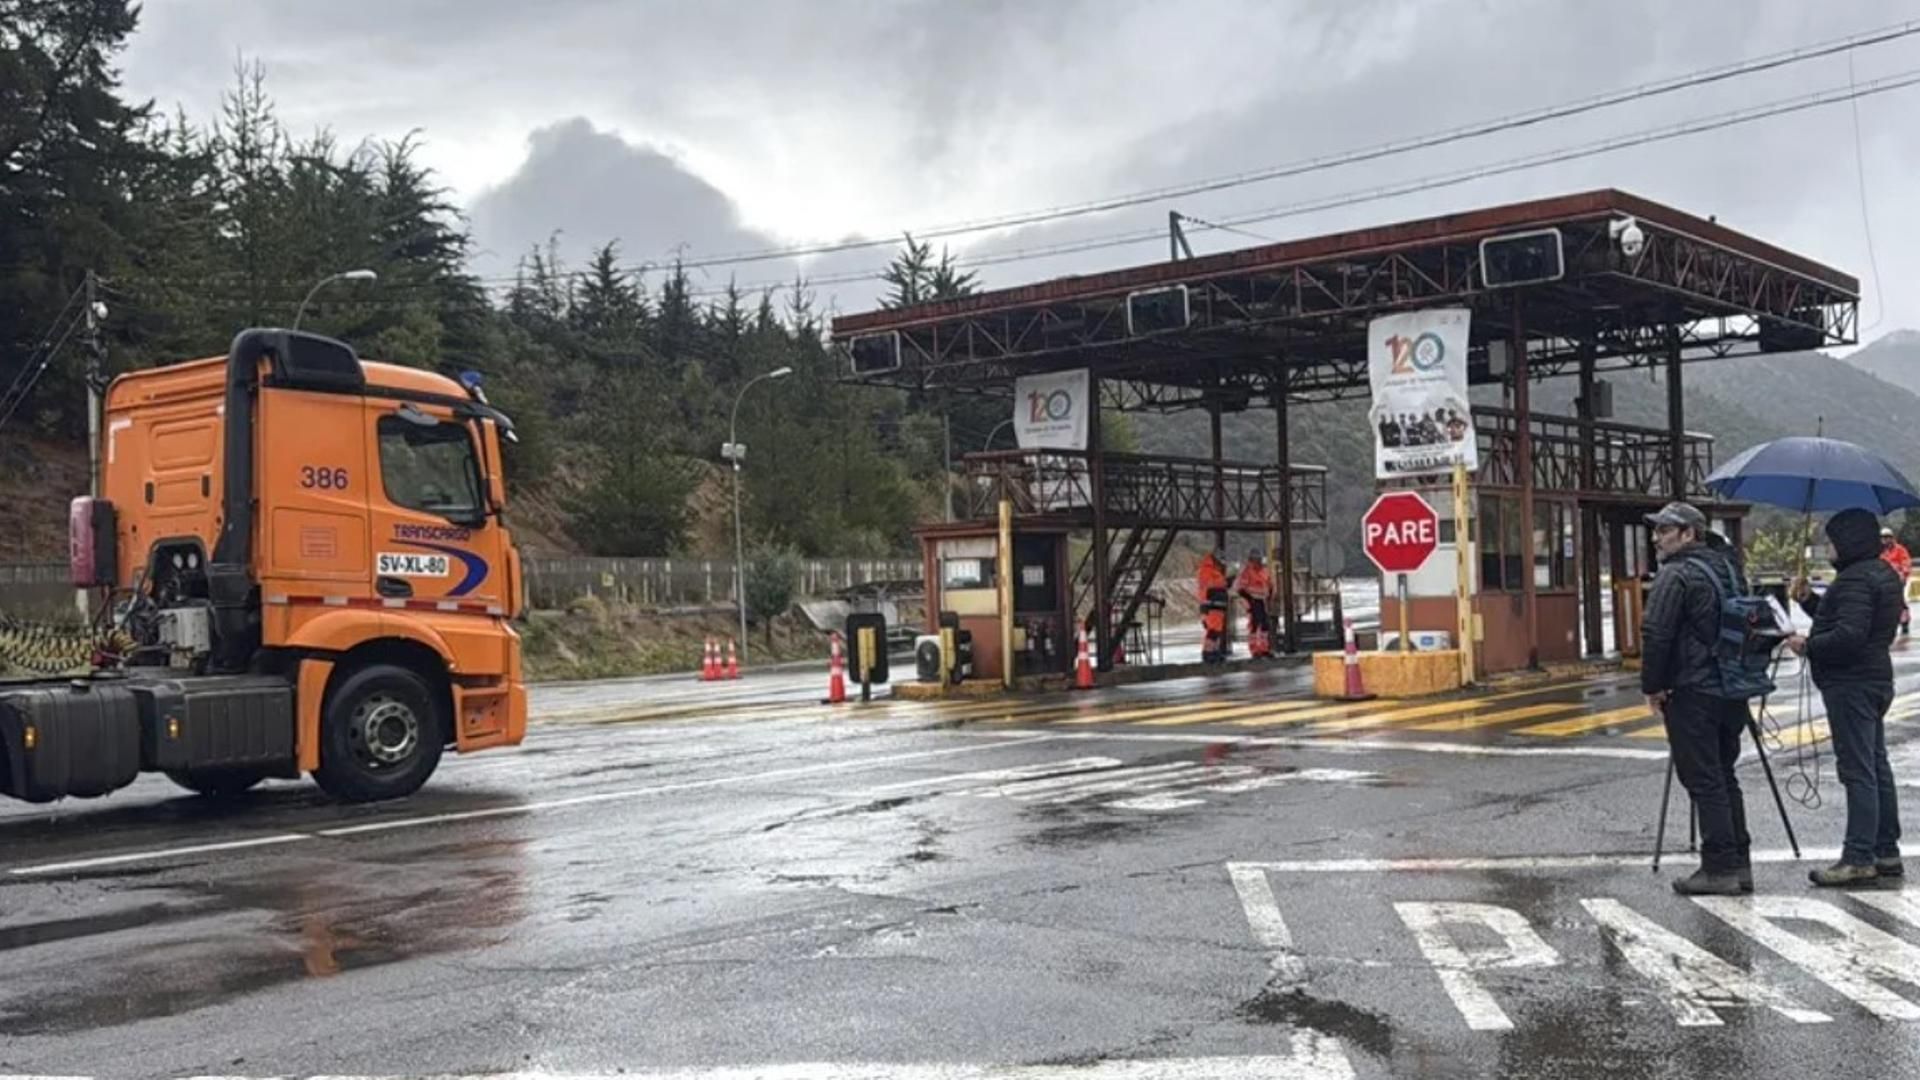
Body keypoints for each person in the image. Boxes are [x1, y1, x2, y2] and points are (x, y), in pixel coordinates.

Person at [1640, 501, 1754, 896]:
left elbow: (1656, 633)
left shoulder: (1676, 574)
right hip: (1732, 687)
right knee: (1724, 773)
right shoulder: (1728, 568)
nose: (1657, 538)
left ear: (1689, 533)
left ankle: (1718, 867)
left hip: (1693, 689)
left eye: (1664, 530)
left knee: (1703, 778)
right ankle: (1740, 864)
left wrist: (1652, 686)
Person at [1788, 509, 1906, 886]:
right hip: (1875, 679)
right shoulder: (1881, 574)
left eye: (1833, 540)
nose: (1829, 548)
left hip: (1851, 684)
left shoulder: (1854, 580)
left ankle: (1858, 856)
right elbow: (1848, 621)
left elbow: (1848, 636)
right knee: (1875, 765)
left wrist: (1808, 645)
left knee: (1858, 770)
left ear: (1850, 541)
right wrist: (1810, 602)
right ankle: (1886, 849)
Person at [1235, 549, 1273, 658]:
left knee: (1265, 625)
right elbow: (1240, 589)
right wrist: (1249, 600)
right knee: (1254, 625)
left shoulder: (1264, 571)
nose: (1258, 561)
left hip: (1262, 601)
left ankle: (1264, 648)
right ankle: (1255, 649)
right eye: (1256, 559)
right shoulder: (1247, 571)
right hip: (1252, 601)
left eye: (1259, 559)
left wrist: (1270, 595)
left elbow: (1269, 584)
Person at [1198, 547, 1231, 664]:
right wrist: (1225, 583)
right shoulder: (1207, 570)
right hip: (1211, 605)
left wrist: (1226, 583)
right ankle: (1208, 653)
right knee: (1213, 630)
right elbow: (1212, 585)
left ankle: (1214, 651)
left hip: (1216, 605)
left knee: (1216, 630)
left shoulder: (1214, 570)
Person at [1881, 527, 1912, 636]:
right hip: (1885, 580)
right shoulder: (1880, 551)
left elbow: (1906, 562)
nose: (1885, 540)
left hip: (1898, 579)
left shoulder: (1900, 549)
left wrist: (1904, 573)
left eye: (1887, 538)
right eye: (1883, 538)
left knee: (1900, 601)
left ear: (1892, 538)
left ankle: (1904, 622)